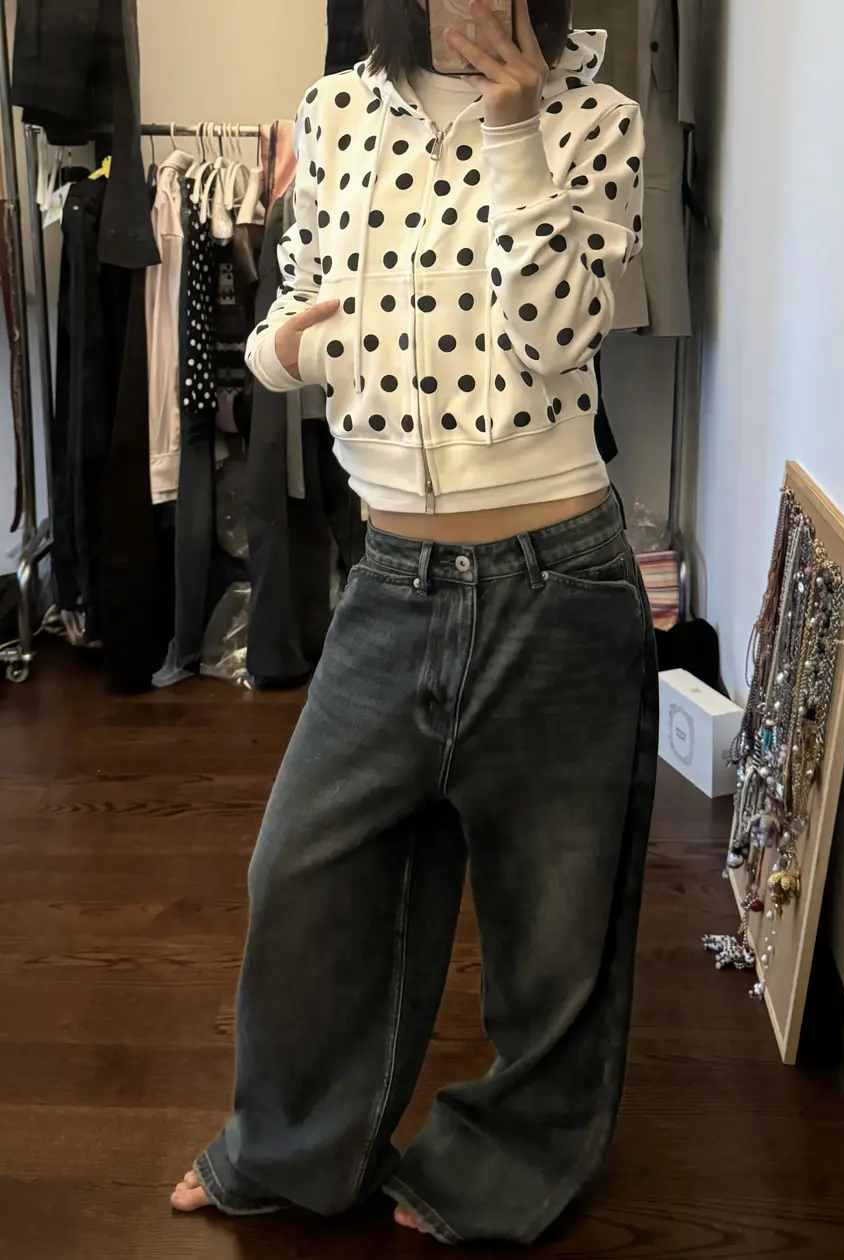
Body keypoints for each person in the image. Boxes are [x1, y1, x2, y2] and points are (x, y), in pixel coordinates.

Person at [171, 0, 658, 1244]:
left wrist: (515, 127)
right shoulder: (336, 112)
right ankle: (289, 1148)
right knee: (303, 873)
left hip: (558, 581)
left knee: (551, 927)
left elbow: (558, 337)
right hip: (390, 575)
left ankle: (504, 1167)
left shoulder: (597, 118)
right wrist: (284, 352)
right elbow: (292, 308)